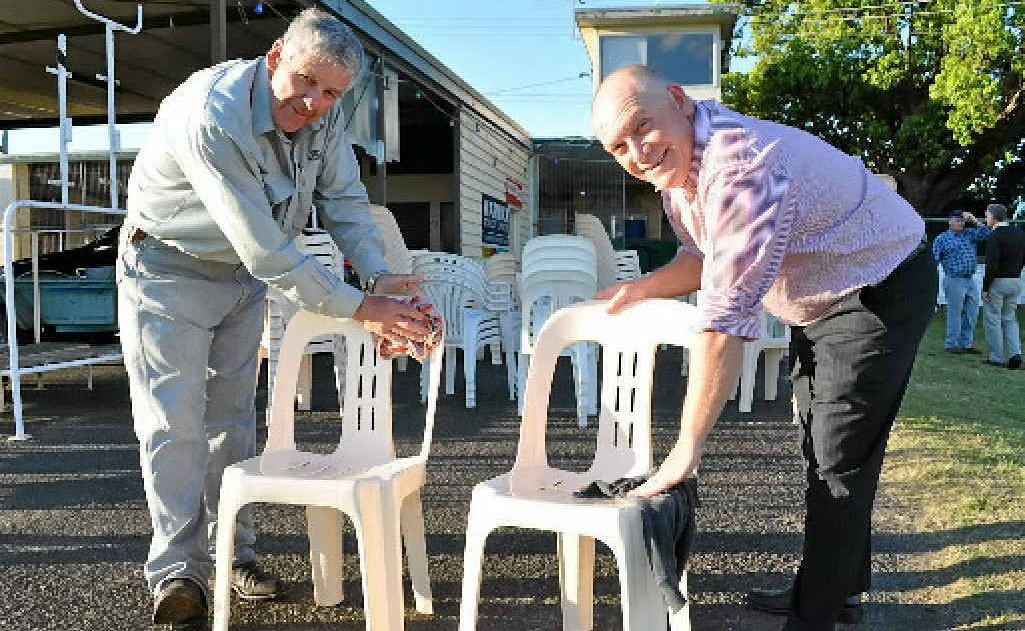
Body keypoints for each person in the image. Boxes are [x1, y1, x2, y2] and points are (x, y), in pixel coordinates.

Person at [590, 65, 936, 631]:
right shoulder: (680, 174)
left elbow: (723, 322)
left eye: (642, 128)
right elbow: (705, 257)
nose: (637, 153)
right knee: (820, 442)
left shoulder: (740, 168)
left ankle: (817, 612)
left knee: (837, 456)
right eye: (618, 146)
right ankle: (835, 586)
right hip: (820, 296)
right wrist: (643, 286)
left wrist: (686, 451)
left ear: (678, 100)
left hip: (880, 282)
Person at [118, 9, 430, 631]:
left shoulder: (328, 114)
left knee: (232, 421)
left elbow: (344, 201)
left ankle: (235, 554)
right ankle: (179, 572)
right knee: (173, 421)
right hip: (167, 268)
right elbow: (267, 249)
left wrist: (383, 277)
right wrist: (365, 308)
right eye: (306, 81)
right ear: (276, 53)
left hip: (241, 277)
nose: (314, 102)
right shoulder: (212, 112)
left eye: (332, 92)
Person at [932, 209, 990, 353]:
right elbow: (934, 259)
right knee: (955, 313)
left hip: (970, 280)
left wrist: (974, 220)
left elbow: (988, 234)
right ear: (950, 221)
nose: (961, 223)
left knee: (972, 312)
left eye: (962, 220)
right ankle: (952, 344)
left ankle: (966, 344)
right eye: (958, 220)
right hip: (954, 279)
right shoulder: (942, 239)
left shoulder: (970, 234)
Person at [980, 203, 1025, 369]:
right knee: (1010, 318)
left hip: (998, 281)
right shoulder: (1020, 233)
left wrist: (985, 287)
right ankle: (1015, 353)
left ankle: (996, 356)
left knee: (992, 318)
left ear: (993, 217)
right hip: (1016, 280)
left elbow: (991, 264)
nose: (986, 219)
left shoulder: (995, 236)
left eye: (987, 216)